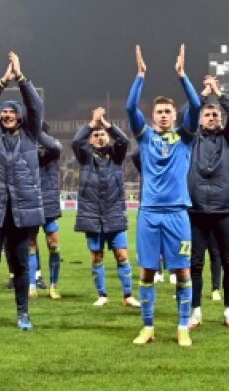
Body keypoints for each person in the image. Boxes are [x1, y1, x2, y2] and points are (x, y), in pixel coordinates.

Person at [127, 44, 202, 346]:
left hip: (177, 213)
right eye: (158, 111)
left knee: (182, 271)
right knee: (146, 271)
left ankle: (182, 326)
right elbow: (131, 109)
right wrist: (140, 76)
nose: (163, 115)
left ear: (175, 115)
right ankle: (148, 327)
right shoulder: (144, 137)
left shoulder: (185, 137)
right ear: (153, 116)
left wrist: (183, 76)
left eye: (168, 111)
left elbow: (196, 106)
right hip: (149, 213)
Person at [0, 51, 46, 332]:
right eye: (3, 112)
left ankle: (23, 314)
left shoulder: (30, 135)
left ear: (19, 117)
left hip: (21, 212)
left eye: (12, 112)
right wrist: (2, 82)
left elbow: (36, 105)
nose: (6, 115)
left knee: (21, 265)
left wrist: (22, 79)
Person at [186, 76, 229, 330]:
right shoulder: (190, 139)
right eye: (207, 114)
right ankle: (195, 312)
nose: (211, 117)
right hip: (196, 211)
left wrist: (218, 93)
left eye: (216, 114)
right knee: (194, 265)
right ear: (199, 118)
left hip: (224, 210)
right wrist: (201, 95)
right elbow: (183, 114)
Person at [73, 107, 140, 309]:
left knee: (122, 254)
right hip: (92, 213)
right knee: (97, 256)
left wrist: (108, 125)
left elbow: (125, 141)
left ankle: (127, 295)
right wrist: (92, 123)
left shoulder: (116, 155)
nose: (100, 137)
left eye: (103, 134)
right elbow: (76, 142)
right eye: (96, 135)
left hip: (114, 212)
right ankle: (102, 294)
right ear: (91, 139)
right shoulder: (85, 156)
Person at [29, 124, 63, 299]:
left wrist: (37, 132)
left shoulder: (54, 147)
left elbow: (53, 147)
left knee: (54, 246)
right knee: (31, 246)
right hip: (31, 202)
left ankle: (54, 285)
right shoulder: (27, 150)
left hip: (49, 204)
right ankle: (31, 286)